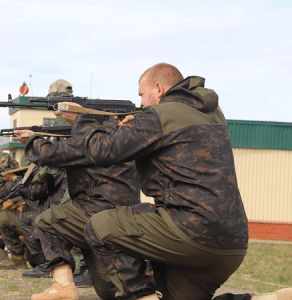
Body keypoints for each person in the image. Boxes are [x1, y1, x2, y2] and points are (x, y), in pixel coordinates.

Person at [49, 63, 291, 300]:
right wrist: (136, 128)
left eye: (142, 95)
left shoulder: (158, 116)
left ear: (159, 89)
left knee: (100, 226)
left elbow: (101, 151)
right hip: (232, 242)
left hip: (190, 231)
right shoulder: (214, 114)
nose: (141, 103)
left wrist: (81, 118)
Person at [16, 79, 141, 300]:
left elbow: (50, 155)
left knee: (47, 221)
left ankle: (63, 287)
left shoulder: (92, 140)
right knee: (106, 290)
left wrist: (32, 140)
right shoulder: (118, 135)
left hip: (100, 210)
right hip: (122, 212)